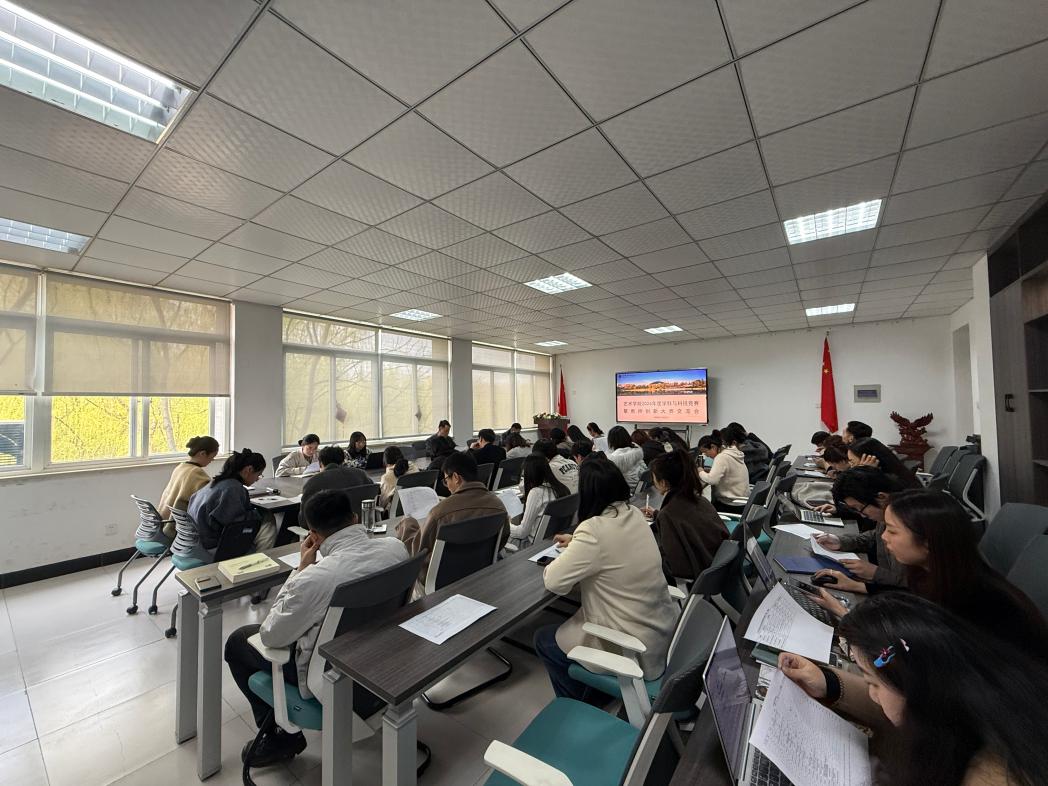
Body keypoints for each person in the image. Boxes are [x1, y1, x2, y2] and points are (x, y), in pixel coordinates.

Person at [778, 592, 1048, 786]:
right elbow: (896, 703)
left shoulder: (994, 775)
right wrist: (826, 681)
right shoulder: (963, 695)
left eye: (872, 683)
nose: (872, 694)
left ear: (913, 687)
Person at [225, 489, 408, 768]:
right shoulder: (396, 548)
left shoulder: (315, 579)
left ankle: (281, 736)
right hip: (380, 658)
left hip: (327, 673)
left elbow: (271, 634)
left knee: (238, 641)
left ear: (313, 535)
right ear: (355, 518)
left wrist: (301, 569)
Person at [817, 490, 1048, 656]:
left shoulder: (968, 605)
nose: (884, 537)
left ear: (928, 541)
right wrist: (857, 587)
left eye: (893, 531)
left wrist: (848, 620)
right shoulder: (944, 575)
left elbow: (899, 659)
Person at [536, 457, 678, 704]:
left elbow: (554, 582)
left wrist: (577, 547)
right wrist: (577, 542)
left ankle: (582, 706)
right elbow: (614, 545)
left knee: (544, 640)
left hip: (632, 648)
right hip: (660, 631)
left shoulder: (593, 530)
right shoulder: (634, 514)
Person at [395, 451, 510, 584]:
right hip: (481, 575)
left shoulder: (439, 513)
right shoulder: (498, 505)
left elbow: (418, 555)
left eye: (446, 480)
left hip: (439, 583)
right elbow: (502, 538)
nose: (447, 486)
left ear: (456, 477)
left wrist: (408, 524)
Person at [810, 467, 906, 594]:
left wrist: (875, 573)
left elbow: (916, 586)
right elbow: (873, 537)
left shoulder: (910, 523)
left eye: (859, 508)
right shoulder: (886, 516)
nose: (861, 515)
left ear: (881, 497)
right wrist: (841, 541)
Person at [644, 448, 729, 581]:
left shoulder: (668, 514)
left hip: (695, 578)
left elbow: (675, 567)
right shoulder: (699, 500)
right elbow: (686, 521)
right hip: (717, 567)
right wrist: (656, 514)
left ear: (664, 483)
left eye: (654, 478)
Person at [187, 449, 276, 558]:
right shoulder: (233, 488)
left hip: (193, 541)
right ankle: (261, 560)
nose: (257, 479)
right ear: (248, 470)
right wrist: (257, 513)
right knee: (268, 521)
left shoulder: (215, 482)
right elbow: (236, 524)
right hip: (211, 546)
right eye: (259, 474)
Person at [158, 435, 220, 537]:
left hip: (163, 521)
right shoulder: (196, 473)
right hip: (177, 529)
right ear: (203, 453)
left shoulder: (181, 467)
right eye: (212, 457)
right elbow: (211, 498)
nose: (212, 460)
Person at [300, 446, 370, 522]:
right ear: (343, 461)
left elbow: (304, 520)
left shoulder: (313, 482)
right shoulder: (361, 474)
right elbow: (373, 491)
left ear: (320, 463)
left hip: (327, 527)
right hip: (362, 522)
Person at [513, 454, 570, 543]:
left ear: (529, 474)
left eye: (524, 476)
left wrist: (506, 525)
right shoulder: (562, 489)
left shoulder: (536, 493)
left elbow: (522, 533)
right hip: (554, 540)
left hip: (532, 544)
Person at [697, 425, 749, 511]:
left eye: (706, 452)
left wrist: (700, 471)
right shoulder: (733, 453)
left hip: (731, 504)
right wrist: (709, 471)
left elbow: (712, 480)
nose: (706, 456)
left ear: (713, 447)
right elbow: (728, 472)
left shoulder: (722, 457)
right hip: (741, 501)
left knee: (703, 509)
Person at [848, 437, 921, 489]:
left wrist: (865, 473)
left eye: (852, 462)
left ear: (870, 460)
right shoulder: (897, 471)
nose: (851, 467)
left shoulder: (889, 482)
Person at [378, 445, 417, 511]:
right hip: (416, 507)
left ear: (386, 460)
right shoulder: (414, 467)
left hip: (397, 512)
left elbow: (383, 504)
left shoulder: (386, 477)